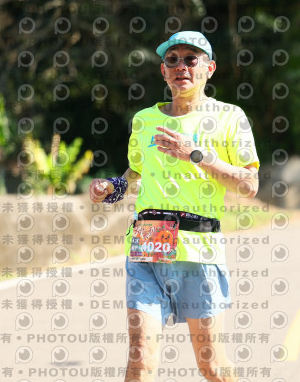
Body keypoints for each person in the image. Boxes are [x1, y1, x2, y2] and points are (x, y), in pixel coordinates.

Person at [89, 31, 260, 382]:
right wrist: (112, 188)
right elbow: (136, 173)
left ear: (209, 69)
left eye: (191, 59)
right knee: (140, 357)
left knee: (212, 367)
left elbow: (249, 185)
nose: (181, 66)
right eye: (172, 60)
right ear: (163, 71)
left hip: (199, 251)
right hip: (147, 247)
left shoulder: (230, 117)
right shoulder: (144, 120)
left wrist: (195, 154)